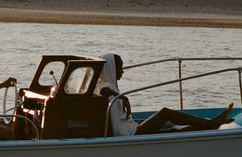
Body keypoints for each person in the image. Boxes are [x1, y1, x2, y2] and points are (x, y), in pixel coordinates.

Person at [97, 53, 234, 136]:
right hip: (129, 133)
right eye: (120, 68)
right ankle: (211, 122)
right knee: (165, 113)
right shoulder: (106, 86)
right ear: (112, 69)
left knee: (174, 133)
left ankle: (211, 124)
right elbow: (104, 92)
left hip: (129, 129)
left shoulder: (108, 84)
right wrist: (122, 96)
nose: (122, 71)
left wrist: (119, 96)